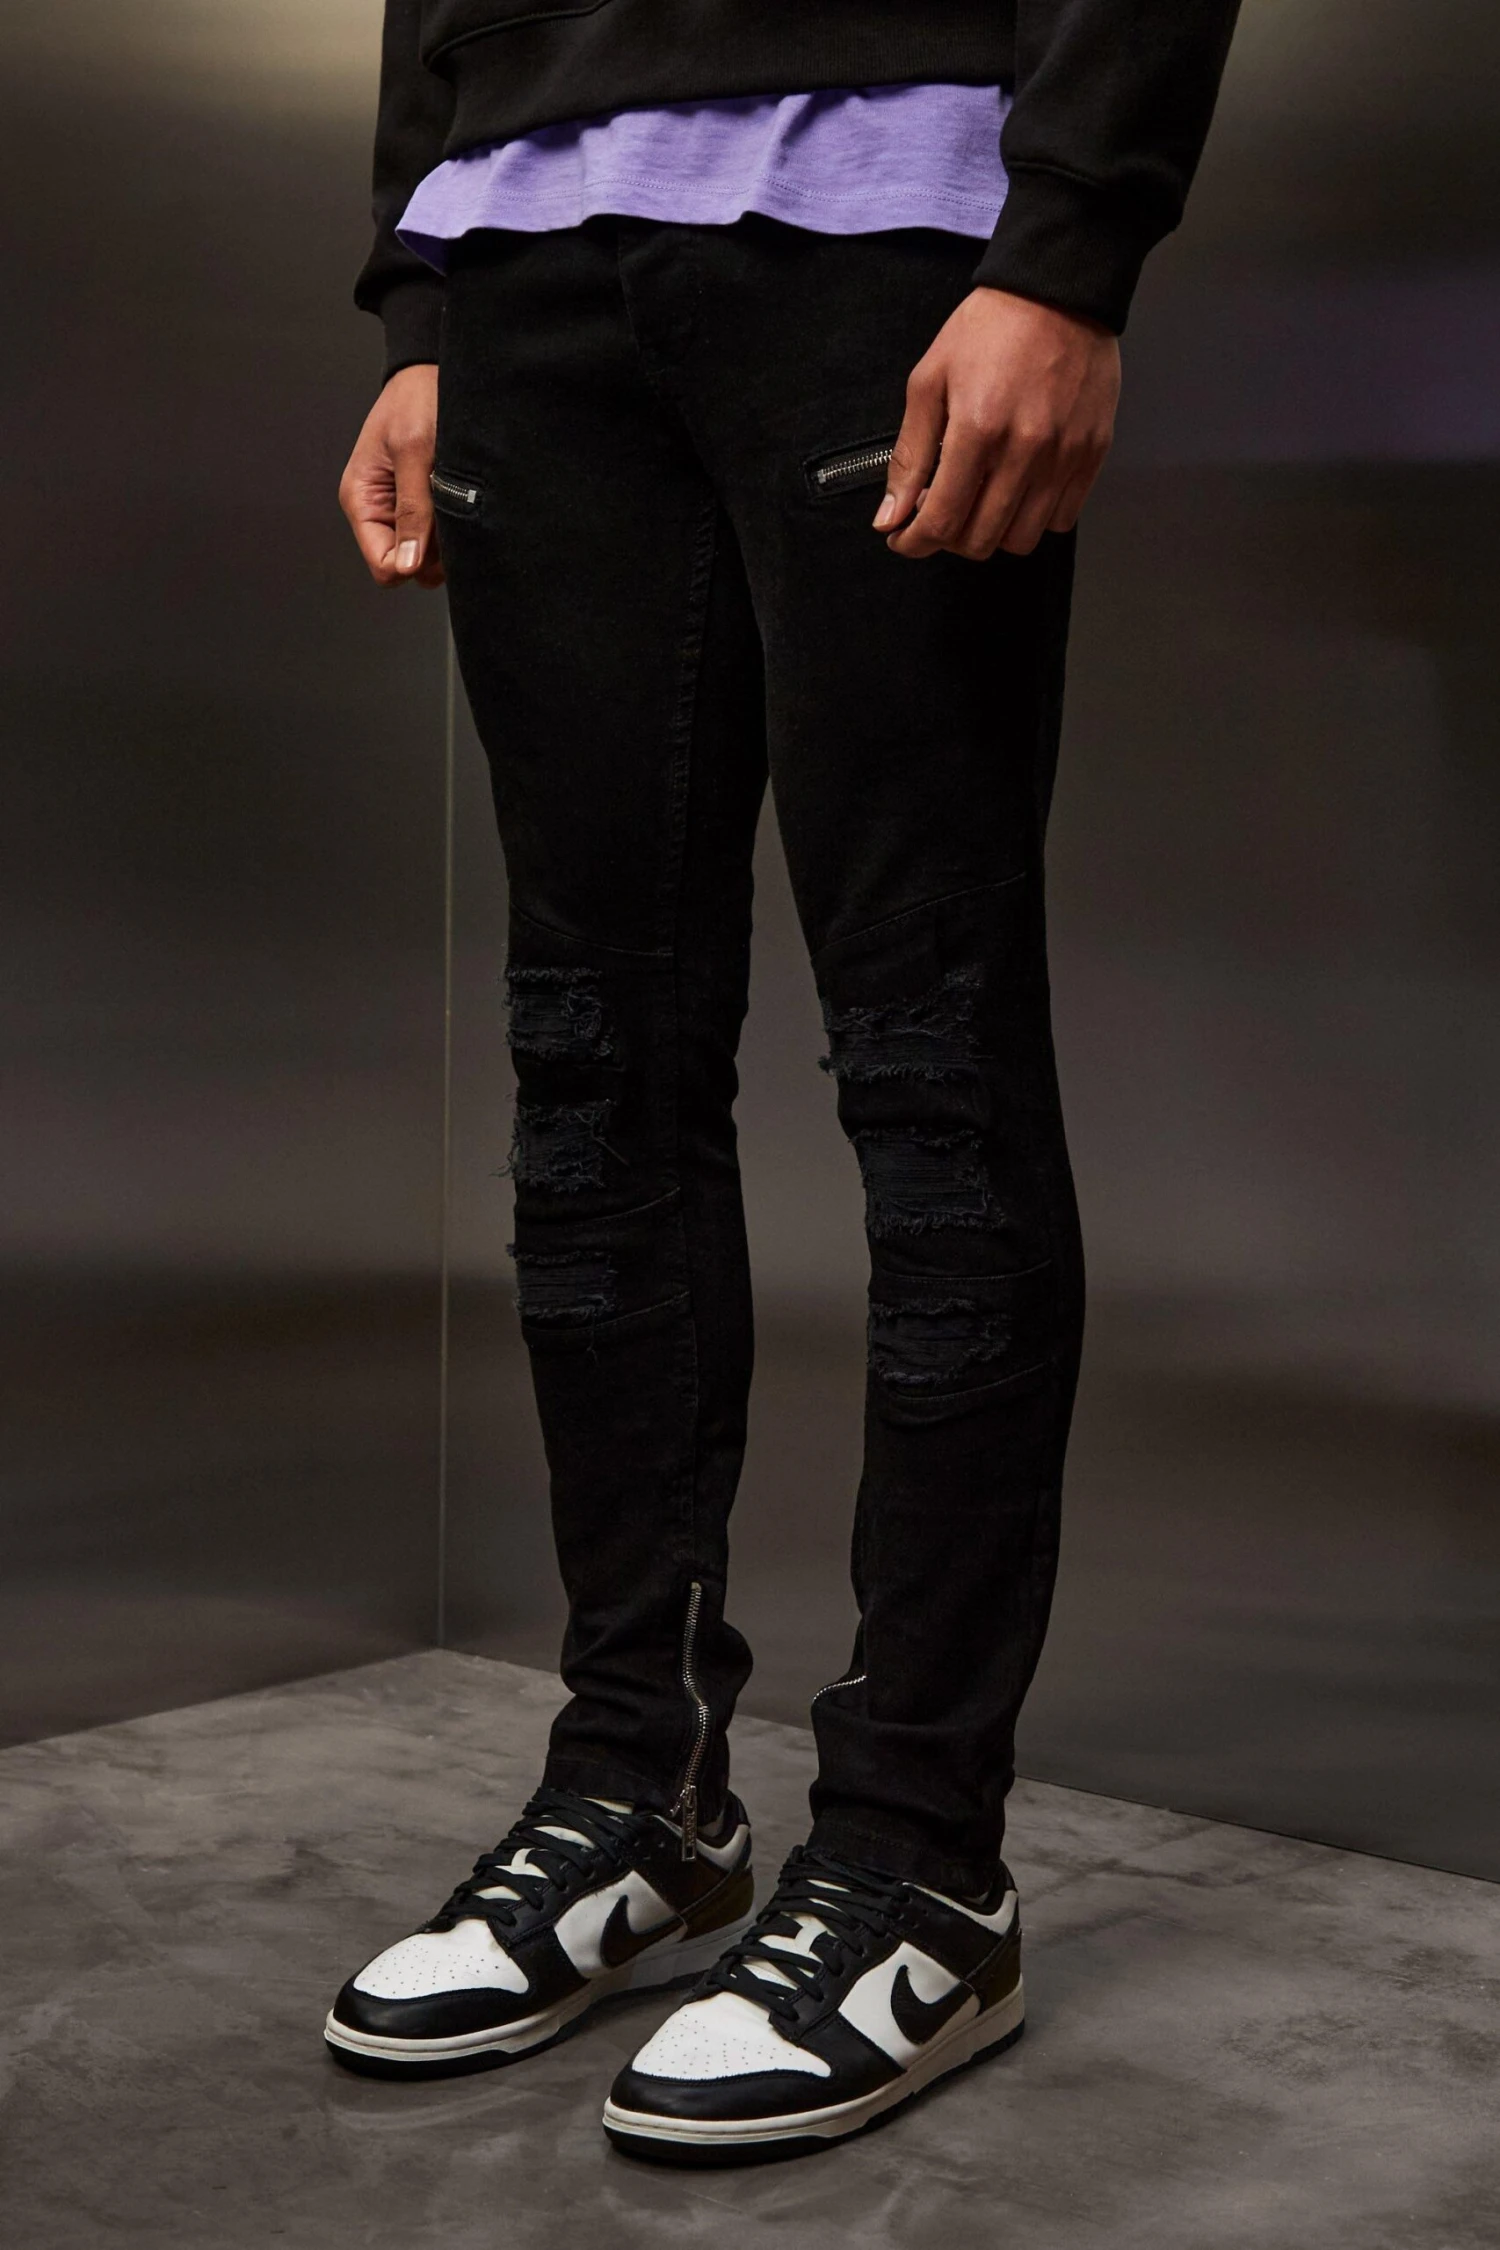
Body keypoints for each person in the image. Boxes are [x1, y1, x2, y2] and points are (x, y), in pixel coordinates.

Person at [326, 0, 1239, 2163]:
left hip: (890, 220)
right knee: (590, 1065)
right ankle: (636, 1787)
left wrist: (1067, 242)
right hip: (531, 251)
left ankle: (922, 1857)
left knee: (925, 1058)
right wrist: (425, 285)